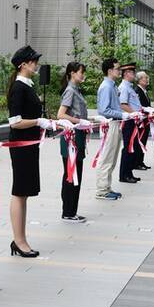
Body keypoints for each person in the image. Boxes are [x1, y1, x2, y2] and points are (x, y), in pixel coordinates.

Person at [7, 45, 56, 257]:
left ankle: (21, 239)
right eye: (33, 61)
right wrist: (39, 121)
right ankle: (19, 241)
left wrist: (46, 123)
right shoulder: (18, 87)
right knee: (19, 191)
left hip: (29, 145)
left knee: (24, 192)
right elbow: (15, 122)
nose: (36, 64)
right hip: (21, 145)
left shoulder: (27, 85)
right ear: (23, 64)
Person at [95, 59, 137, 200]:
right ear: (109, 70)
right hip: (110, 124)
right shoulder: (106, 87)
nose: (120, 71)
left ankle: (106, 187)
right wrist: (122, 114)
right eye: (118, 69)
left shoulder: (112, 85)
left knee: (112, 157)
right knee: (107, 157)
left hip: (116, 123)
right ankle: (102, 190)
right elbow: (104, 110)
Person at [56, 62, 90, 223]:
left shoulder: (76, 90)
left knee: (76, 173)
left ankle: (71, 210)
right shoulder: (70, 91)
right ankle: (68, 212)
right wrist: (79, 120)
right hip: (71, 138)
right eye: (80, 72)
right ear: (71, 73)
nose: (82, 75)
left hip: (78, 136)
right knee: (71, 174)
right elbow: (61, 115)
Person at [118, 63, 142, 183]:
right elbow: (123, 104)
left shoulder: (129, 87)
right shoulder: (124, 87)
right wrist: (135, 113)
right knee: (128, 147)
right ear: (126, 74)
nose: (134, 75)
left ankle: (129, 172)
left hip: (134, 120)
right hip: (129, 121)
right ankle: (124, 175)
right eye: (132, 73)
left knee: (134, 147)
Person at [134, 71, 152, 171]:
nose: (147, 79)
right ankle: (137, 162)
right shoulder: (137, 90)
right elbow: (139, 106)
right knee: (140, 141)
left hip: (146, 120)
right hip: (141, 121)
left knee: (143, 141)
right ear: (140, 80)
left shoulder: (144, 91)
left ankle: (141, 161)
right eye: (145, 77)